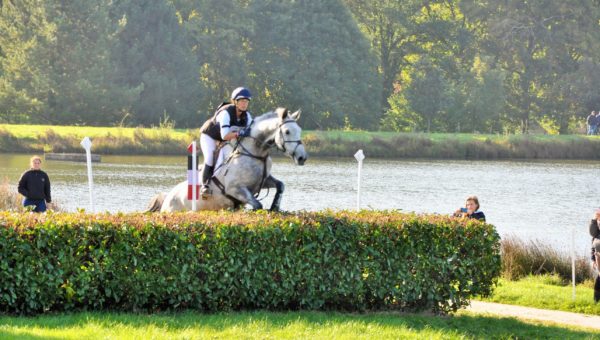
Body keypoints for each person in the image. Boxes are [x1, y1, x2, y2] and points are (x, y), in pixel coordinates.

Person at [198, 87, 253, 198]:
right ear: (235, 102)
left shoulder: (247, 116)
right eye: (242, 101)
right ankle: (205, 186)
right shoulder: (226, 113)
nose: (244, 104)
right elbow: (225, 135)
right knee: (209, 157)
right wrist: (240, 134)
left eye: (246, 101)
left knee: (234, 158)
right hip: (209, 136)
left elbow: (252, 132)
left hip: (225, 140)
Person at [589, 209, 600, 302]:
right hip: (598, 257)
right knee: (599, 278)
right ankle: (596, 301)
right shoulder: (597, 233)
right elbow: (593, 245)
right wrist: (592, 259)